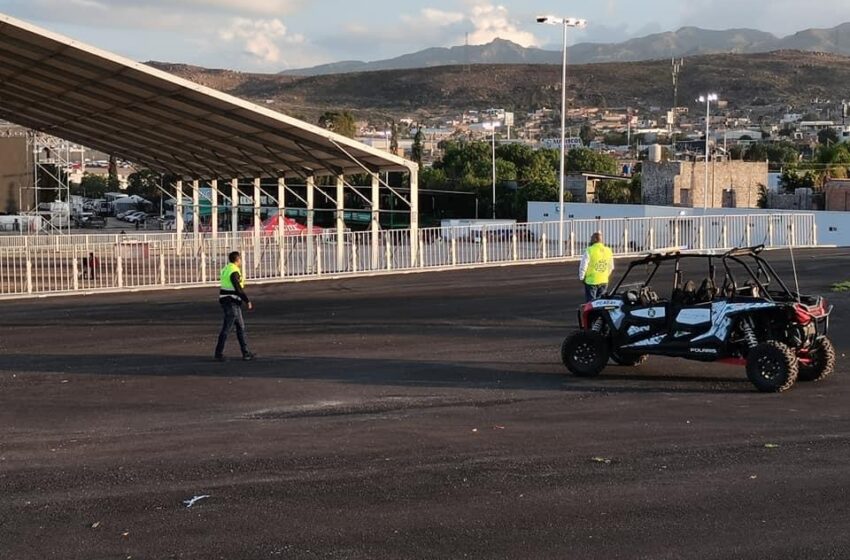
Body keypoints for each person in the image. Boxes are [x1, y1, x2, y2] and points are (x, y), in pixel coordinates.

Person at [214, 251, 255, 362]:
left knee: (240, 327)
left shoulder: (226, 269)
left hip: (227, 300)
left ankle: (246, 353)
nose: (241, 261)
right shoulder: (234, 271)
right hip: (231, 302)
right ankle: (218, 353)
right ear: (237, 260)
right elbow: (238, 288)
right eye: (240, 259)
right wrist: (247, 300)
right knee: (227, 328)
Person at [579, 232, 614, 302]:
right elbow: (611, 267)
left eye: (591, 238)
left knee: (591, 303)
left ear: (595, 239)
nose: (590, 240)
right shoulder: (608, 250)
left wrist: (582, 277)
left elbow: (583, 265)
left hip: (591, 281)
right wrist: (605, 275)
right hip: (603, 280)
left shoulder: (589, 250)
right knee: (601, 302)